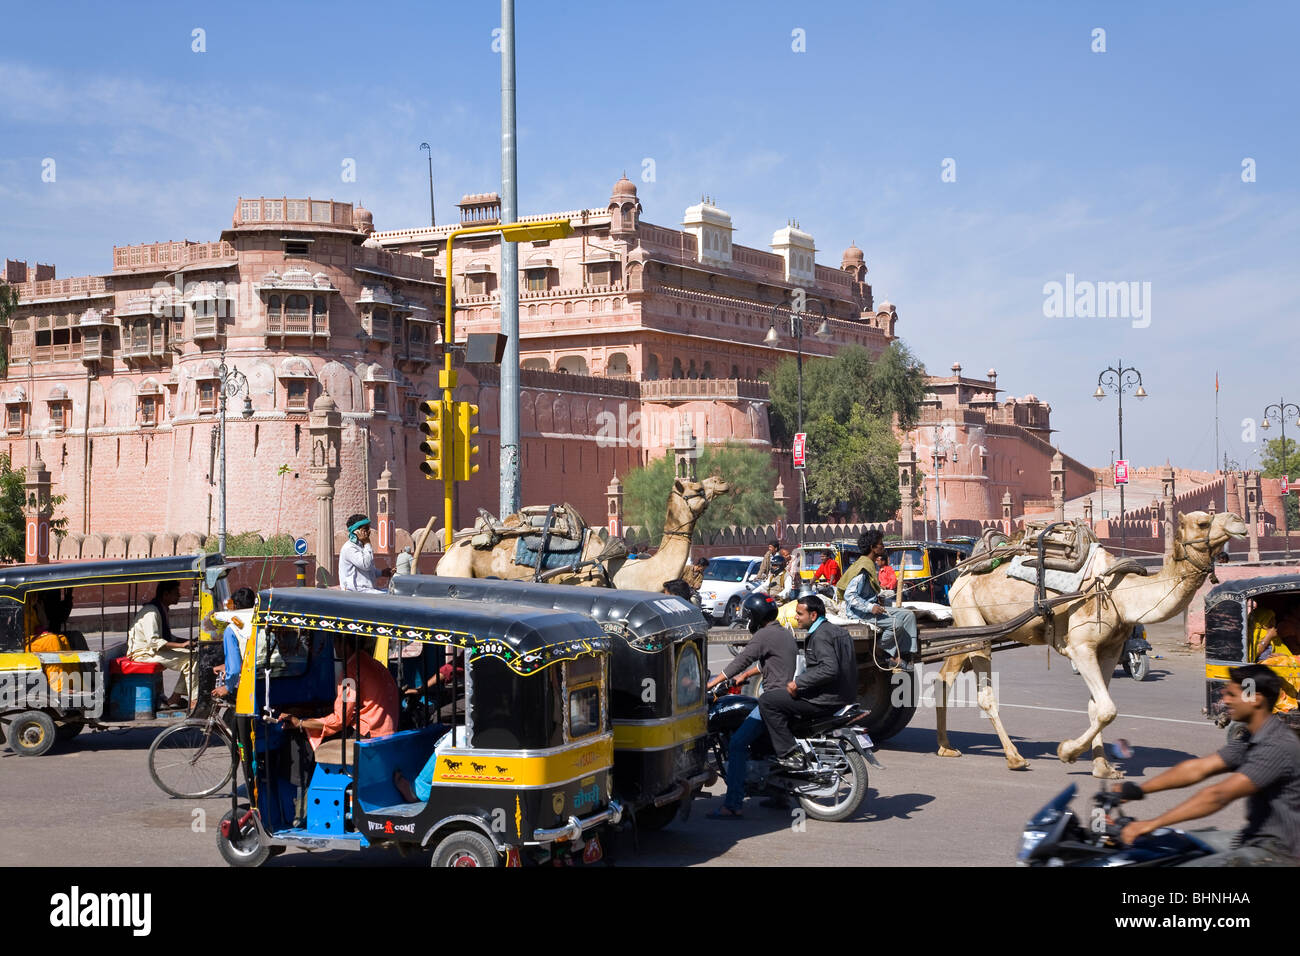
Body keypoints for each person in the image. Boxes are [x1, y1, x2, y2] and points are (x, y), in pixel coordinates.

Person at [1117, 664, 1300, 866]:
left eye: (1232, 694)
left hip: (1279, 853)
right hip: (1254, 838)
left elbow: (1218, 795)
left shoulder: (1276, 745)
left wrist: (1151, 824)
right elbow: (1199, 768)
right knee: (1171, 844)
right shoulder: (1250, 737)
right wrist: (1137, 789)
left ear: (1255, 698)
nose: (1225, 700)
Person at [705, 591, 797, 818]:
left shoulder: (764, 635)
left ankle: (732, 804)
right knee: (763, 746)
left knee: (737, 744)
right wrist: (747, 674)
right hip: (786, 699)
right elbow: (771, 663)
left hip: (772, 701)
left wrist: (712, 683)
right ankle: (779, 794)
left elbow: (741, 659)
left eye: (749, 615)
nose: (748, 620)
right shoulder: (783, 633)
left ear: (757, 615)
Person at [758, 594, 856, 770]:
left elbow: (829, 669)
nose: (795, 617)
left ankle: (789, 753)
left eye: (799, 614)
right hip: (844, 696)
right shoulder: (840, 632)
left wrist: (799, 682)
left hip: (825, 700)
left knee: (767, 701)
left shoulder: (820, 636)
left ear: (813, 615)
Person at [279, 634, 400, 750]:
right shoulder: (373, 663)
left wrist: (300, 723)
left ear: (344, 645)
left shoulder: (351, 672)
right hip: (388, 730)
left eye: (335, 642)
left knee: (307, 740)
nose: (334, 647)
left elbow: (340, 720)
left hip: (369, 734)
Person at [126, 581, 194, 709]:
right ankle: (183, 698)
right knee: (191, 660)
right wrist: (181, 645)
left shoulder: (161, 609)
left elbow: (168, 638)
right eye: (176, 593)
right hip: (143, 653)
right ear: (166, 594)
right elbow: (154, 642)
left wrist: (188, 642)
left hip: (152, 650)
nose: (179, 595)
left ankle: (175, 697)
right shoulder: (151, 612)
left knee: (194, 656)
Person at [212, 587, 256, 701]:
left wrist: (227, 687)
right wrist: (227, 666)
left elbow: (235, 668)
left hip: (252, 678)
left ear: (235, 606)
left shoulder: (232, 629)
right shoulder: (262, 621)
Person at [338, 513, 393, 592]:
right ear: (356, 531)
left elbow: (368, 569)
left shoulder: (360, 545)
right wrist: (367, 543)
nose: (369, 531)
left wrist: (382, 572)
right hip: (357, 591)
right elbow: (366, 565)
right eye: (366, 529)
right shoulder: (350, 548)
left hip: (368, 590)